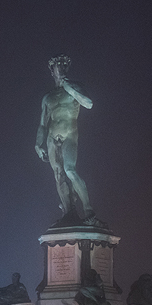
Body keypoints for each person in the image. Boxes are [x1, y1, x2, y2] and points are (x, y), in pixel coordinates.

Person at [36, 55, 97, 222]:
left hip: (69, 134)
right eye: (58, 66)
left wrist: (69, 87)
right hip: (51, 137)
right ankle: (68, 212)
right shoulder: (47, 97)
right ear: (52, 71)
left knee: (70, 170)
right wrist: (37, 143)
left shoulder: (75, 87)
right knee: (59, 175)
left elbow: (89, 104)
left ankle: (88, 209)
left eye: (64, 66)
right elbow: (42, 123)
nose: (61, 69)